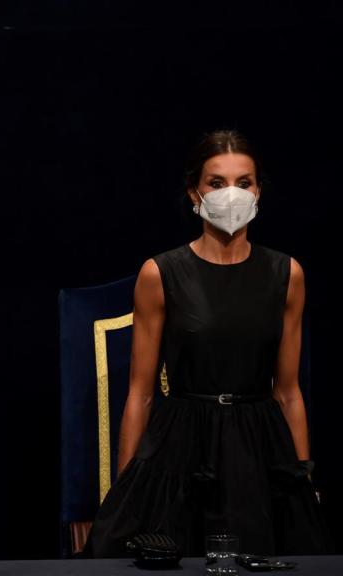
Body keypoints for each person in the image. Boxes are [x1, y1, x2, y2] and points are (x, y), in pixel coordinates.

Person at [87, 131, 332, 556]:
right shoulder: (160, 273)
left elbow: (288, 391)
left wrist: (303, 481)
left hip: (258, 448)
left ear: (258, 192)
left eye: (244, 182)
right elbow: (141, 394)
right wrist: (126, 489)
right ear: (194, 193)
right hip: (182, 443)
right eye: (217, 183)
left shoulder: (286, 274)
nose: (231, 195)